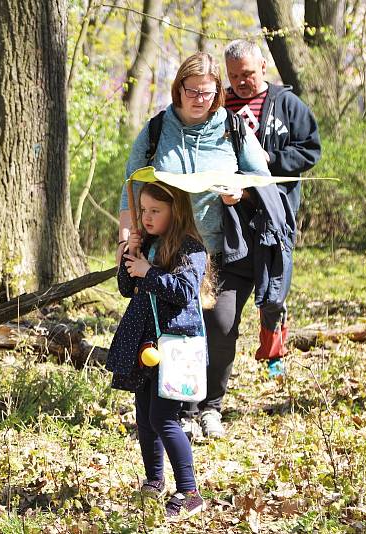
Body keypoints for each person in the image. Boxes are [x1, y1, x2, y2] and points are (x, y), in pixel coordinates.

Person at [117, 52, 273, 440]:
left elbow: (262, 175)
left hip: (224, 247)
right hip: (172, 249)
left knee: (219, 327)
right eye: (193, 91)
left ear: (217, 92)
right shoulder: (157, 129)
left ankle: (211, 407)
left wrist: (239, 189)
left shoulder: (232, 127)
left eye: (208, 92)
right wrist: (127, 239)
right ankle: (182, 407)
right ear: (179, 90)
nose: (200, 98)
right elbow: (131, 185)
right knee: (178, 329)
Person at [106, 180, 210, 520]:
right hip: (144, 343)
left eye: (155, 211)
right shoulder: (147, 243)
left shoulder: (189, 248)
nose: (147, 218)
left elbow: (184, 291)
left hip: (174, 342)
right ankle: (154, 479)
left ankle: (190, 491)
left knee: (163, 417)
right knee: (144, 416)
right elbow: (126, 288)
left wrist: (149, 271)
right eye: (144, 210)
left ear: (175, 211)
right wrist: (129, 257)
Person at [224, 40, 321, 377]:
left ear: (263, 67)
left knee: (274, 290)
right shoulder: (220, 104)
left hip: (276, 212)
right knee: (229, 291)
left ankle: (273, 349)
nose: (240, 82)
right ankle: (221, 358)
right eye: (234, 75)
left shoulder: (287, 104)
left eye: (247, 74)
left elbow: (311, 150)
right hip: (232, 213)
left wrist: (271, 159)